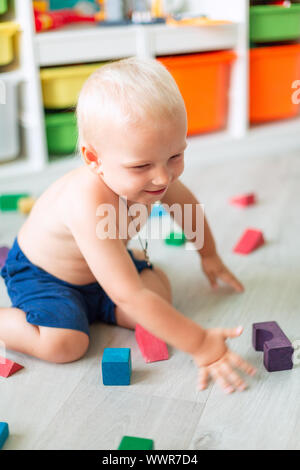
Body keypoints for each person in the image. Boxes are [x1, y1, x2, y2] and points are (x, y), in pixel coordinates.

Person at [0, 57, 256, 393]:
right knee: (64, 345)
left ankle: (103, 305)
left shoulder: (157, 176)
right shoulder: (86, 200)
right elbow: (129, 293)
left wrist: (208, 254)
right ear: (94, 159)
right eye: (141, 165)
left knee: (158, 299)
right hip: (46, 276)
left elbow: (187, 207)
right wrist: (199, 342)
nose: (163, 176)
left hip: (103, 272)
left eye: (175, 156)